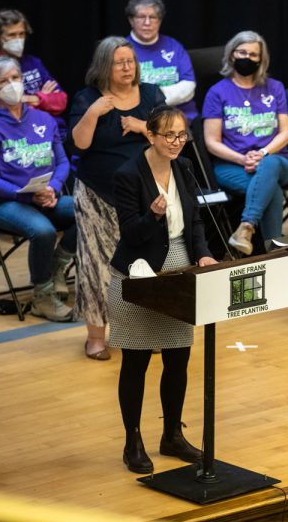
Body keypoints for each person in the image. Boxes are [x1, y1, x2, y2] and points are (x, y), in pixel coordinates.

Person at [108, 105, 216, 473]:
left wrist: (202, 255)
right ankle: (132, 441)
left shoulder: (184, 168)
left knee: (178, 358)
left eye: (182, 134)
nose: (176, 142)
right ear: (150, 135)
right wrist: (152, 214)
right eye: (169, 135)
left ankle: (172, 435)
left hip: (180, 269)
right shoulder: (127, 174)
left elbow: (195, 220)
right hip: (138, 275)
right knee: (135, 361)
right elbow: (130, 234)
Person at [69, 36, 166, 360]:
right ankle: (96, 337)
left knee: (146, 263)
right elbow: (79, 145)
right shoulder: (87, 98)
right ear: (104, 67)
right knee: (96, 265)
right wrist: (94, 114)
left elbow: (175, 137)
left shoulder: (152, 94)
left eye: (130, 61)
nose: (127, 67)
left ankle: (143, 331)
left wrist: (144, 127)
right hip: (97, 194)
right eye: (119, 62)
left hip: (144, 194)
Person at [0, 56, 75, 321]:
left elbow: (62, 162)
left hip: (46, 196)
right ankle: (42, 295)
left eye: (15, 77)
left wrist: (52, 188)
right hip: (7, 203)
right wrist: (23, 192)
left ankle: (57, 266)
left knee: (86, 209)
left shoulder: (43, 118)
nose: (12, 84)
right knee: (43, 230)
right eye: (4, 81)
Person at [203, 30, 288, 255]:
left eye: (254, 55)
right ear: (231, 55)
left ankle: (246, 227)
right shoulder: (217, 92)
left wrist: (262, 153)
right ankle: (274, 249)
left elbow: (286, 133)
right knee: (269, 186)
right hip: (231, 165)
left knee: (270, 166)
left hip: (277, 160)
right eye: (242, 52)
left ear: (261, 59)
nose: (247, 58)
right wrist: (242, 158)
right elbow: (211, 141)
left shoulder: (274, 87)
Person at [0, 9, 68, 137]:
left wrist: (32, 99)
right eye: (12, 35)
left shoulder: (34, 62)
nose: (18, 39)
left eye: (21, 34)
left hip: (55, 131)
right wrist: (44, 98)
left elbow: (61, 100)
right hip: (19, 136)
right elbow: (5, 114)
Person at [125, 0, 198, 121]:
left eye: (153, 17)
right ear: (131, 20)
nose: (147, 23)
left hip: (181, 119)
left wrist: (150, 97)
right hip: (141, 120)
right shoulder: (122, 49)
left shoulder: (174, 46)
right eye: (141, 17)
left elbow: (188, 86)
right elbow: (123, 94)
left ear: (160, 21)